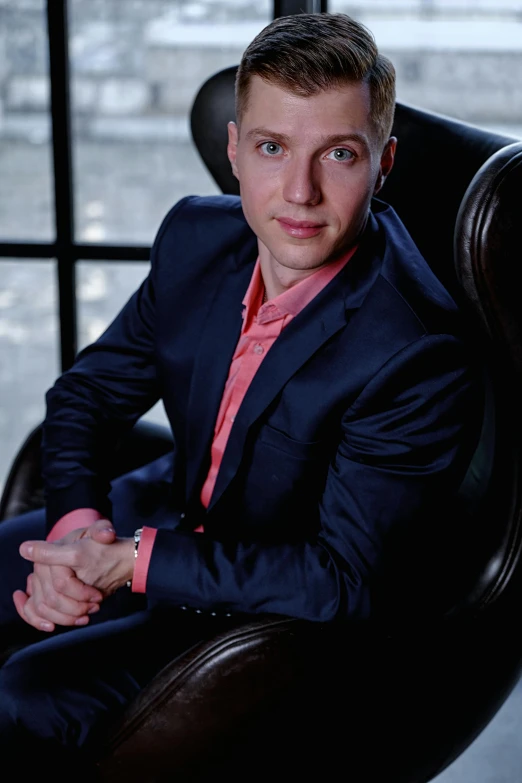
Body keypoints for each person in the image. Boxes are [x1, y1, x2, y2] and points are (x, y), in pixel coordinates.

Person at [0, 10, 482, 773]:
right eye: (271, 147)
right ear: (233, 151)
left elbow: (342, 580)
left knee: (28, 692)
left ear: (383, 163)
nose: (300, 191)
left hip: (272, 601)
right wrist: (78, 528)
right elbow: (89, 395)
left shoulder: (418, 350)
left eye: (340, 155)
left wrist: (129, 562)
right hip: (165, 512)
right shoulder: (197, 236)